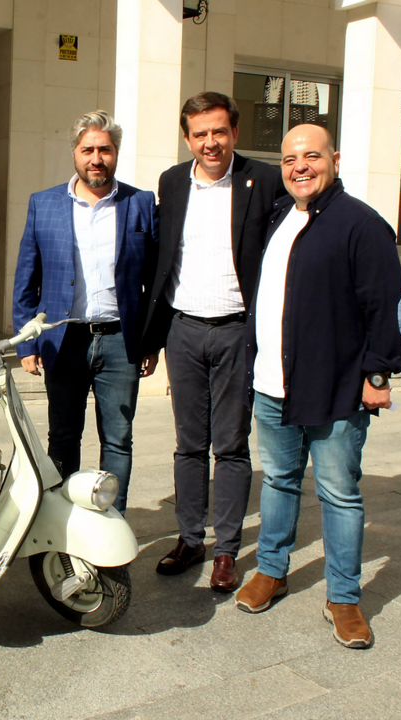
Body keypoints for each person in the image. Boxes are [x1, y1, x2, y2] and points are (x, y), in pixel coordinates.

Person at [234, 124, 401, 649]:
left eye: (312, 156)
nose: (300, 166)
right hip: (271, 383)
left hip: (334, 387)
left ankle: (345, 598)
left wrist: (379, 374)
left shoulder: (361, 223)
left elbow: (388, 304)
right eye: (290, 159)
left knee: (339, 494)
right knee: (280, 482)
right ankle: (272, 571)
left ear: (335, 158)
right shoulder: (278, 217)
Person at [141, 92, 287, 592]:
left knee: (230, 444)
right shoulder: (171, 182)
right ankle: (189, 537)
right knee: (188, 444)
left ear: (235, 134)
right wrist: (152, 338)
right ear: (187, 138)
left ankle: (226, 549)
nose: (210, 143)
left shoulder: (264, 180)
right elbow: (163, 259)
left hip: (236, 330)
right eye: (200, 134)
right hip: (183, 329)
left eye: (219, 132)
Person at [12, 110, 158, 514]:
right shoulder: (44, 204)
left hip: (120, 342)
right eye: (88, 149)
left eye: (105, 150)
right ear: (75, 153)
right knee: (62, 437)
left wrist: (151, 341)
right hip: (65, 340)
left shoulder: (141, 204)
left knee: (117, 440)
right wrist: (26, 344)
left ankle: (113, 519)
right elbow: (27, 276)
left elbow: (153, 281)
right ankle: (61, 520)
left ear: (116, 154)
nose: (97, 158)